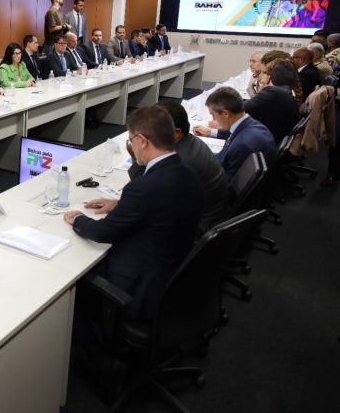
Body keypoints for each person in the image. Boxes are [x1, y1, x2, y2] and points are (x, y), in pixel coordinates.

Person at [64, 105, 203, 320]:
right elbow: (157, 205)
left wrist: (77, 219)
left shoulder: (144, 188)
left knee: (73, 275)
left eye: (131, 140)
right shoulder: (188, 172)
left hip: (139, 283)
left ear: (142, 141)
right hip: (172, 268)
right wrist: (120, 204)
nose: (131, 146)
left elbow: (102, 232)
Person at [127, 101, 228, 233]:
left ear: (176, 133)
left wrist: (136, 156)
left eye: (154, 130)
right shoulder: (189, 141)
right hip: (205, 215)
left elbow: (145, 196)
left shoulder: (179, 162)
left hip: (197, 229)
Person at [192, 87, 275, 183]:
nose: (213, 119)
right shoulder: (252, 125)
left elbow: (228, 184)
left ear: (226, 114)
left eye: (213, 115)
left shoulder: (243, 145)